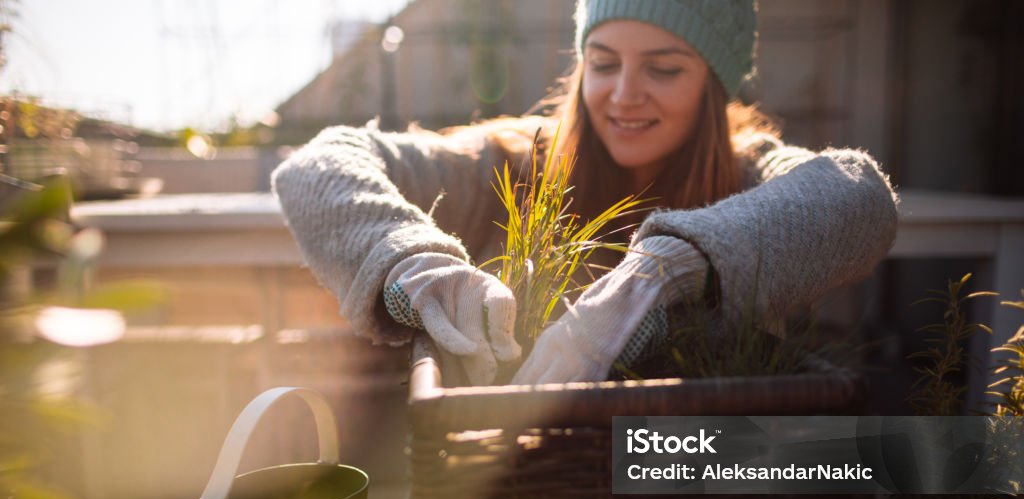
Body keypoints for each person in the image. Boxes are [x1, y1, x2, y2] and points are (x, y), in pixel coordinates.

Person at [272, 0, 898, 389]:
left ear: (714, 83)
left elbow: (859, 194)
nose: (624, 94)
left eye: (663, 68)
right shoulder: (514, 164)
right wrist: (417, 264)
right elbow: (317, 166)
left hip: (693, 498)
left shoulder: (748, 174)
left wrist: (663, 271)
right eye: (603, 63)